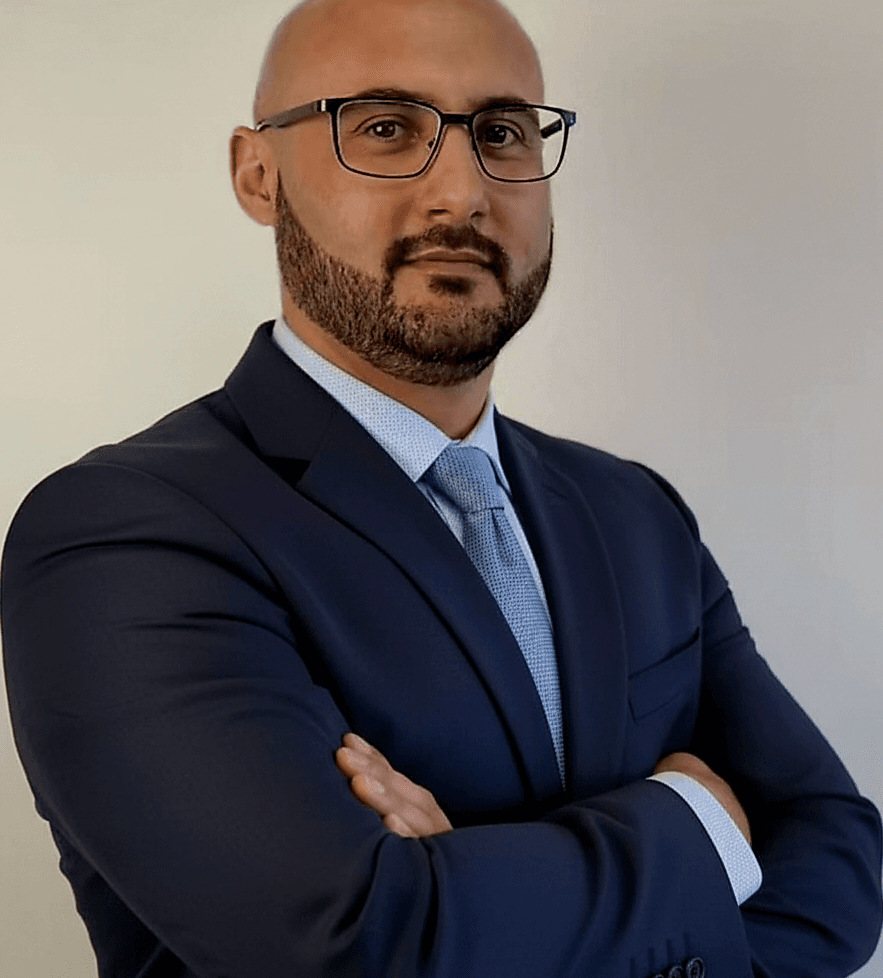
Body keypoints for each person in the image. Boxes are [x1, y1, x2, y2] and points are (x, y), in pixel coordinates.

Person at [2, 0, 881, 975]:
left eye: (501, 132)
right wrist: (696, 825)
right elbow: (357, 948)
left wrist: (462, 890)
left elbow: (840, 865)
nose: (460, 190)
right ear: (257, 173)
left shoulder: (632, 511)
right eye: (385, 128)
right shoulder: (124, 537)